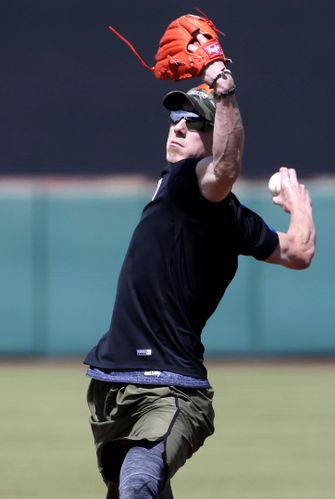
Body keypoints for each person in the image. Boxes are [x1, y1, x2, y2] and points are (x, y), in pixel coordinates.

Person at [84, 33, 316, 499]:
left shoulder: (196, 183)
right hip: (114, 382)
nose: (177, 127)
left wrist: (223, 89)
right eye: (174, 118)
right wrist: (299, 208)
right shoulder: (228, 215)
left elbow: (226, 167)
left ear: (213, 138)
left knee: (138, 485)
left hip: (169, 388)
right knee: (134, 489)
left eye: (192, 122)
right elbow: (296, 252)